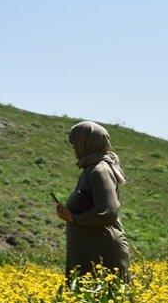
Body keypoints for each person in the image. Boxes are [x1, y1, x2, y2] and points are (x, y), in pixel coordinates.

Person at [55, 121, 131, 283]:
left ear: (86, 144)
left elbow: (108, 213)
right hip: (91, 253)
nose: (74, 149)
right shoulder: (91, 169)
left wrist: (73, 218)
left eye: (76, 144)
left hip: (103, 254)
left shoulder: (100, 170)